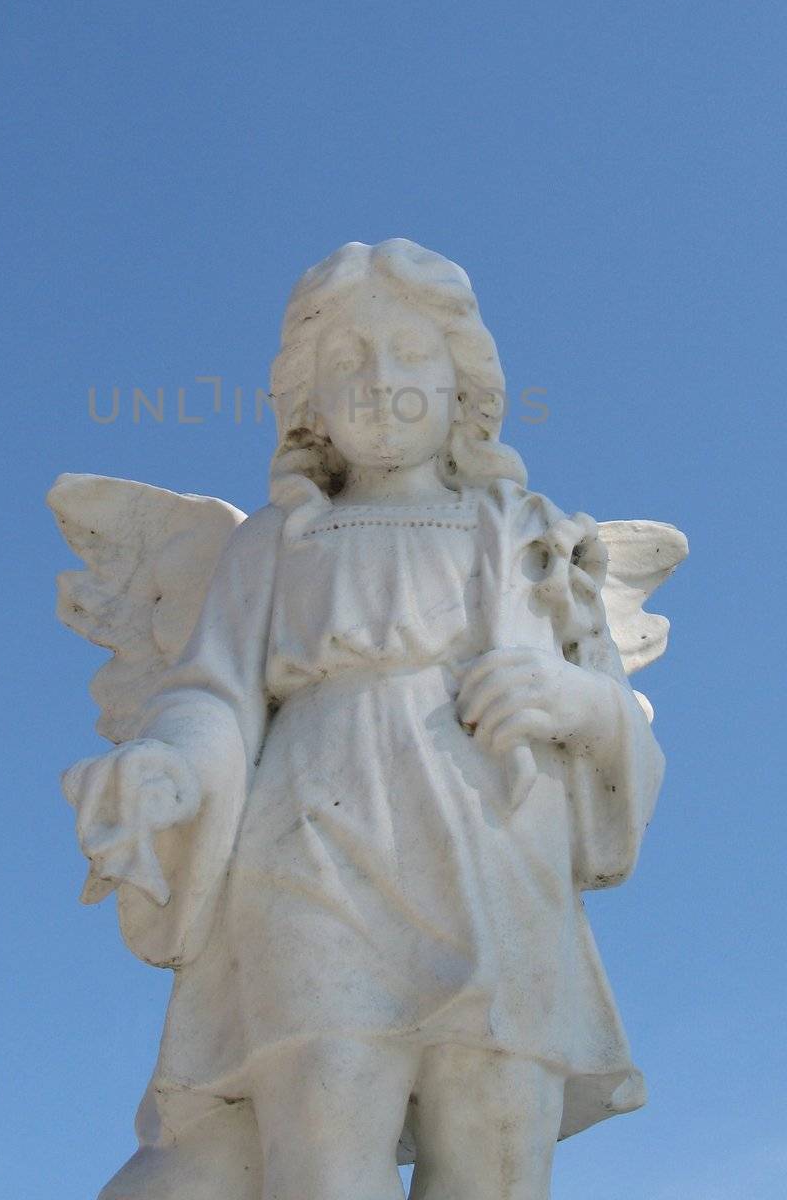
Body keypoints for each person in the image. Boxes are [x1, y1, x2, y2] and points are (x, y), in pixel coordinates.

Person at [68, 239, 665, 1200]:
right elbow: (211, 694)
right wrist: (169, 767)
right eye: (347, 361)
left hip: (498, 847)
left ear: (461, 381)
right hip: (311, 847)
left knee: (498, 1141)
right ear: (307, 399)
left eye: (409, 354)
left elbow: (617, 720)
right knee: (324, 1132)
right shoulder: (274, 543)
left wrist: (580, 705)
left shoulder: (531, 539)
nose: (380, 382)